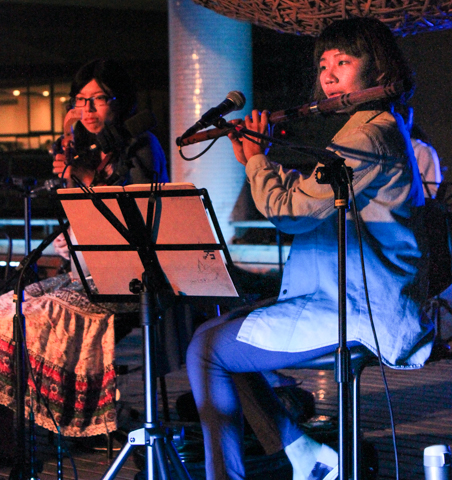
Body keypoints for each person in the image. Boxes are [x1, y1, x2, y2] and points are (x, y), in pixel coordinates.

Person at [186, 17, 435, 480]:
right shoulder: (368, 128)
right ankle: (305, 454)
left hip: (361, 308)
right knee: (210, 337)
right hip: (341, 295)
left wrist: (256, 161)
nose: (329, 75)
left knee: (208, 351)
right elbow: (311, 195)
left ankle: (249, 468)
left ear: (378, 70)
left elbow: (291, 213)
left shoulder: (368, 135)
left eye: (343, 62)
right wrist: (260, 157)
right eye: (323, 65)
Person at [0, 58, 170, 439]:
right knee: (8, 307)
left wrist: (85, 176)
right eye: (80, 100)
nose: (88, 109)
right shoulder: (87, 148)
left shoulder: (141, 145)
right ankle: (22, 424)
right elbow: (82, 221)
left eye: (99, 99)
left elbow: (136, 223)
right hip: (83, 273)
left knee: (39, 317)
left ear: (120, 102)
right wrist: (70, 239)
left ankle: (74, 421)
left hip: (128, 281)